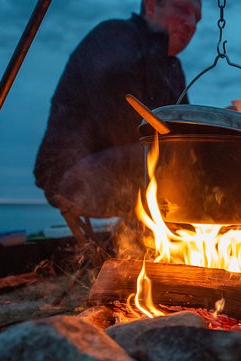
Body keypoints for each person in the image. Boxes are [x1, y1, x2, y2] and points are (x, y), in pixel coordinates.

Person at [34, 0, 202, 219]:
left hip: (134, 163)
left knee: (195, 157)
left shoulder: (172, 68)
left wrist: (224, 132)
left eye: (196, 19)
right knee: (181, 160)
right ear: (151, 6)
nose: (191, 24)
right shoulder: (114, 38)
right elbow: (122, 128)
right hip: (73, 171)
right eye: (182, 9)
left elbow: (184, 128)